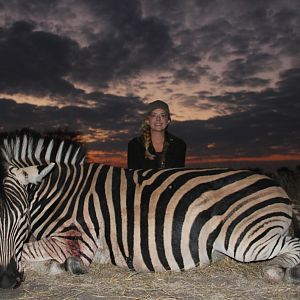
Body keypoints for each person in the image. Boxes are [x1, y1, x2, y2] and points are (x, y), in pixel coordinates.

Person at [127, 100, 186, 170]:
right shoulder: (135, 144)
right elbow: (133, 176)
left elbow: (177, 175)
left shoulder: (179, 145)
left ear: (168, 121)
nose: (158, 119)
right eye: (154, 115)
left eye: (163, 115)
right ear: (148, 121)